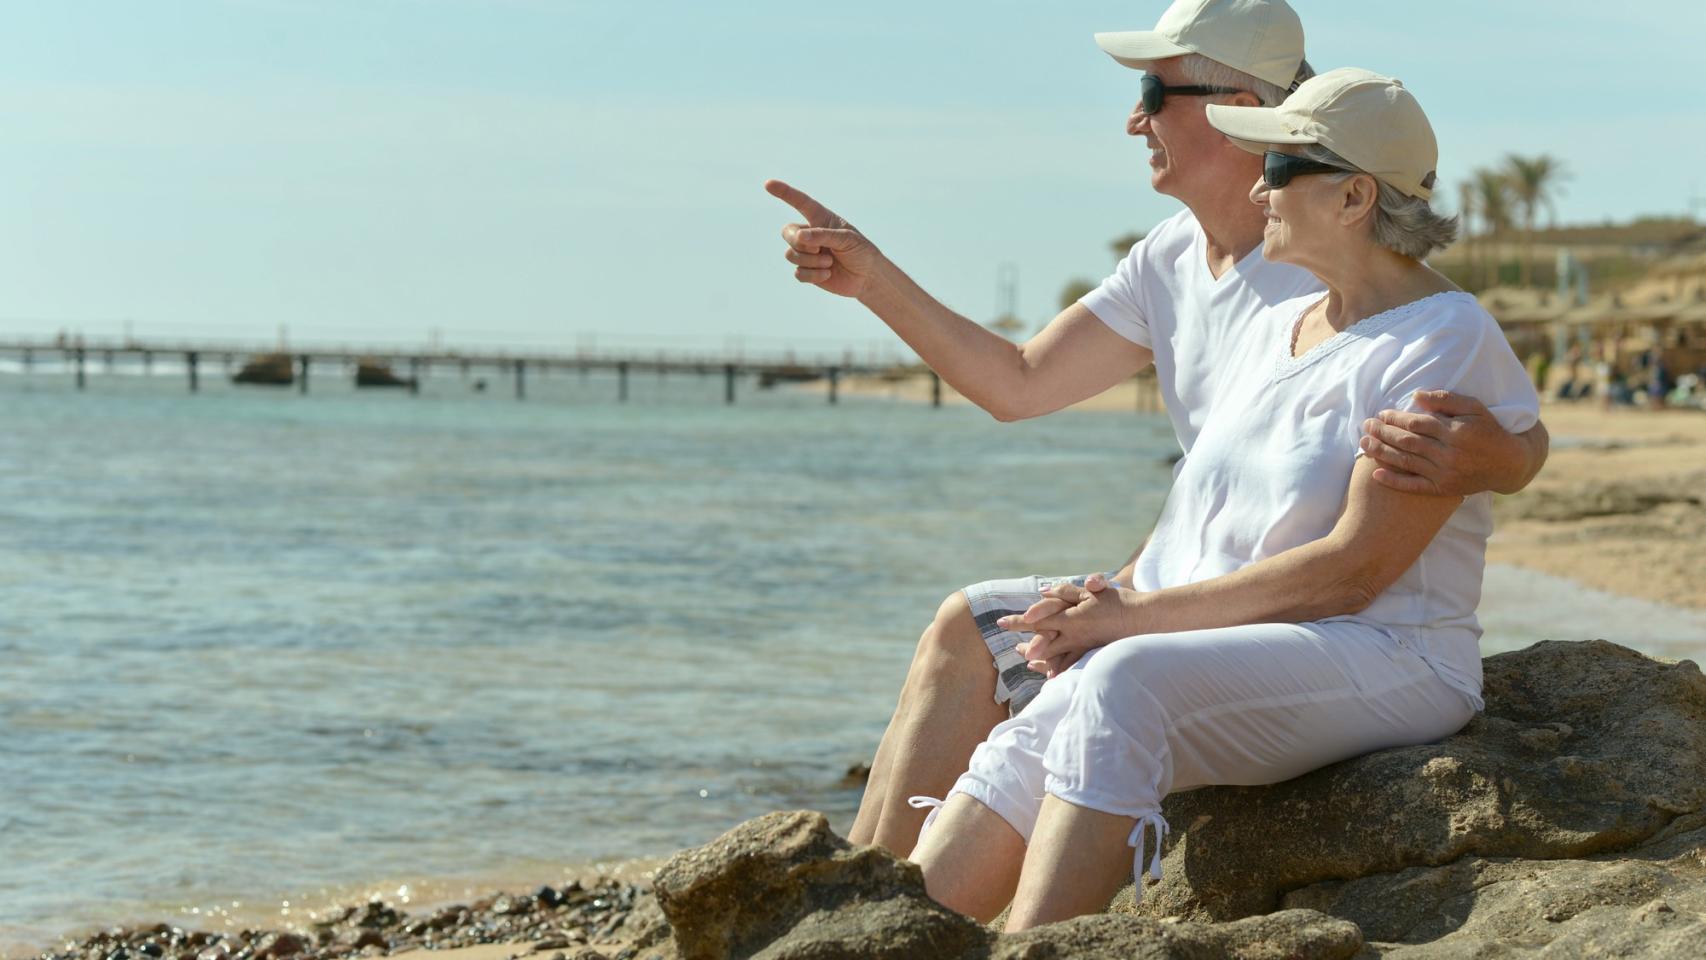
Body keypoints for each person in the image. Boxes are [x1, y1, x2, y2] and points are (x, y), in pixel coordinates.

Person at [766, 0, 1550, 857]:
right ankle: (864, 895)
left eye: (1154, 89)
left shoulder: (1324, 263)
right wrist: (871, 279)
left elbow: (1475, 397)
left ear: (1240, 105)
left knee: (1084, 669)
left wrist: (1506, 458)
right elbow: (1018, 384)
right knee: (972, 626)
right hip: (1195, 577)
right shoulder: (1172, 256)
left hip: (1284, 616)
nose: (1133, 117)